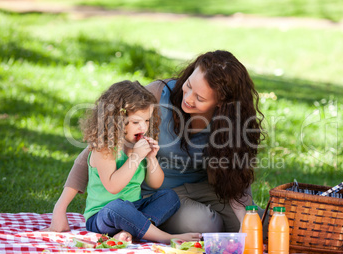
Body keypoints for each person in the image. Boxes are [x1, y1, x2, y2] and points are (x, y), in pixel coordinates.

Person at [46, 50, 266, 235]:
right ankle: (144, 223)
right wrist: (60, 207)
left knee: (260, 224)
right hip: (160, 192)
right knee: (206, 224)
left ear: (222, 104)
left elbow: (235, 174)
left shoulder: (229, 122)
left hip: (205, 188)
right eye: (188, 85)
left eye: (200, 98)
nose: (187, 98)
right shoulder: (158, 96)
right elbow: (98, 148)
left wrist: (246, 217)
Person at [50, 80, 200, 243]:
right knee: (119, 207)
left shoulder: (138, 146)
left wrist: (151, 159)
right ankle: (165, 237)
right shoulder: (105, 148)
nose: (143, 127)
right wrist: (135, 157)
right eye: (136, 122)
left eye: (147, 120)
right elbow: (113, 187)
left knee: (169, 196)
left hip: (133, 209)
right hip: (103, 215)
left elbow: (156, 183)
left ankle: (130, 230)